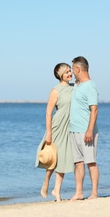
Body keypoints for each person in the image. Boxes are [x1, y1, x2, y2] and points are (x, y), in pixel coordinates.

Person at [36, 63, 74, 202]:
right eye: (67, 72)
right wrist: (49, 133)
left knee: (63, 159)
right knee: (54, 158)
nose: (70, 73)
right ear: (60, 75)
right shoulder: (55, 91)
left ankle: (57, 190)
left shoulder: (74, 88)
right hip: (58, 126)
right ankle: (46, 181)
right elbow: (48, 113)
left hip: (69, 127)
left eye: (70, 71)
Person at [69, 56, 100, 201]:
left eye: (73, 69)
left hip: (86, 131)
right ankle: (79, 192)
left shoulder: (90, 86)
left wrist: (90, 130)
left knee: (91, 162)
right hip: (74, 130)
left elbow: (94, 110)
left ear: (78, 69)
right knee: (78, 163)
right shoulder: (78, 85)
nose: (72, 72)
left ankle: (94, 193)